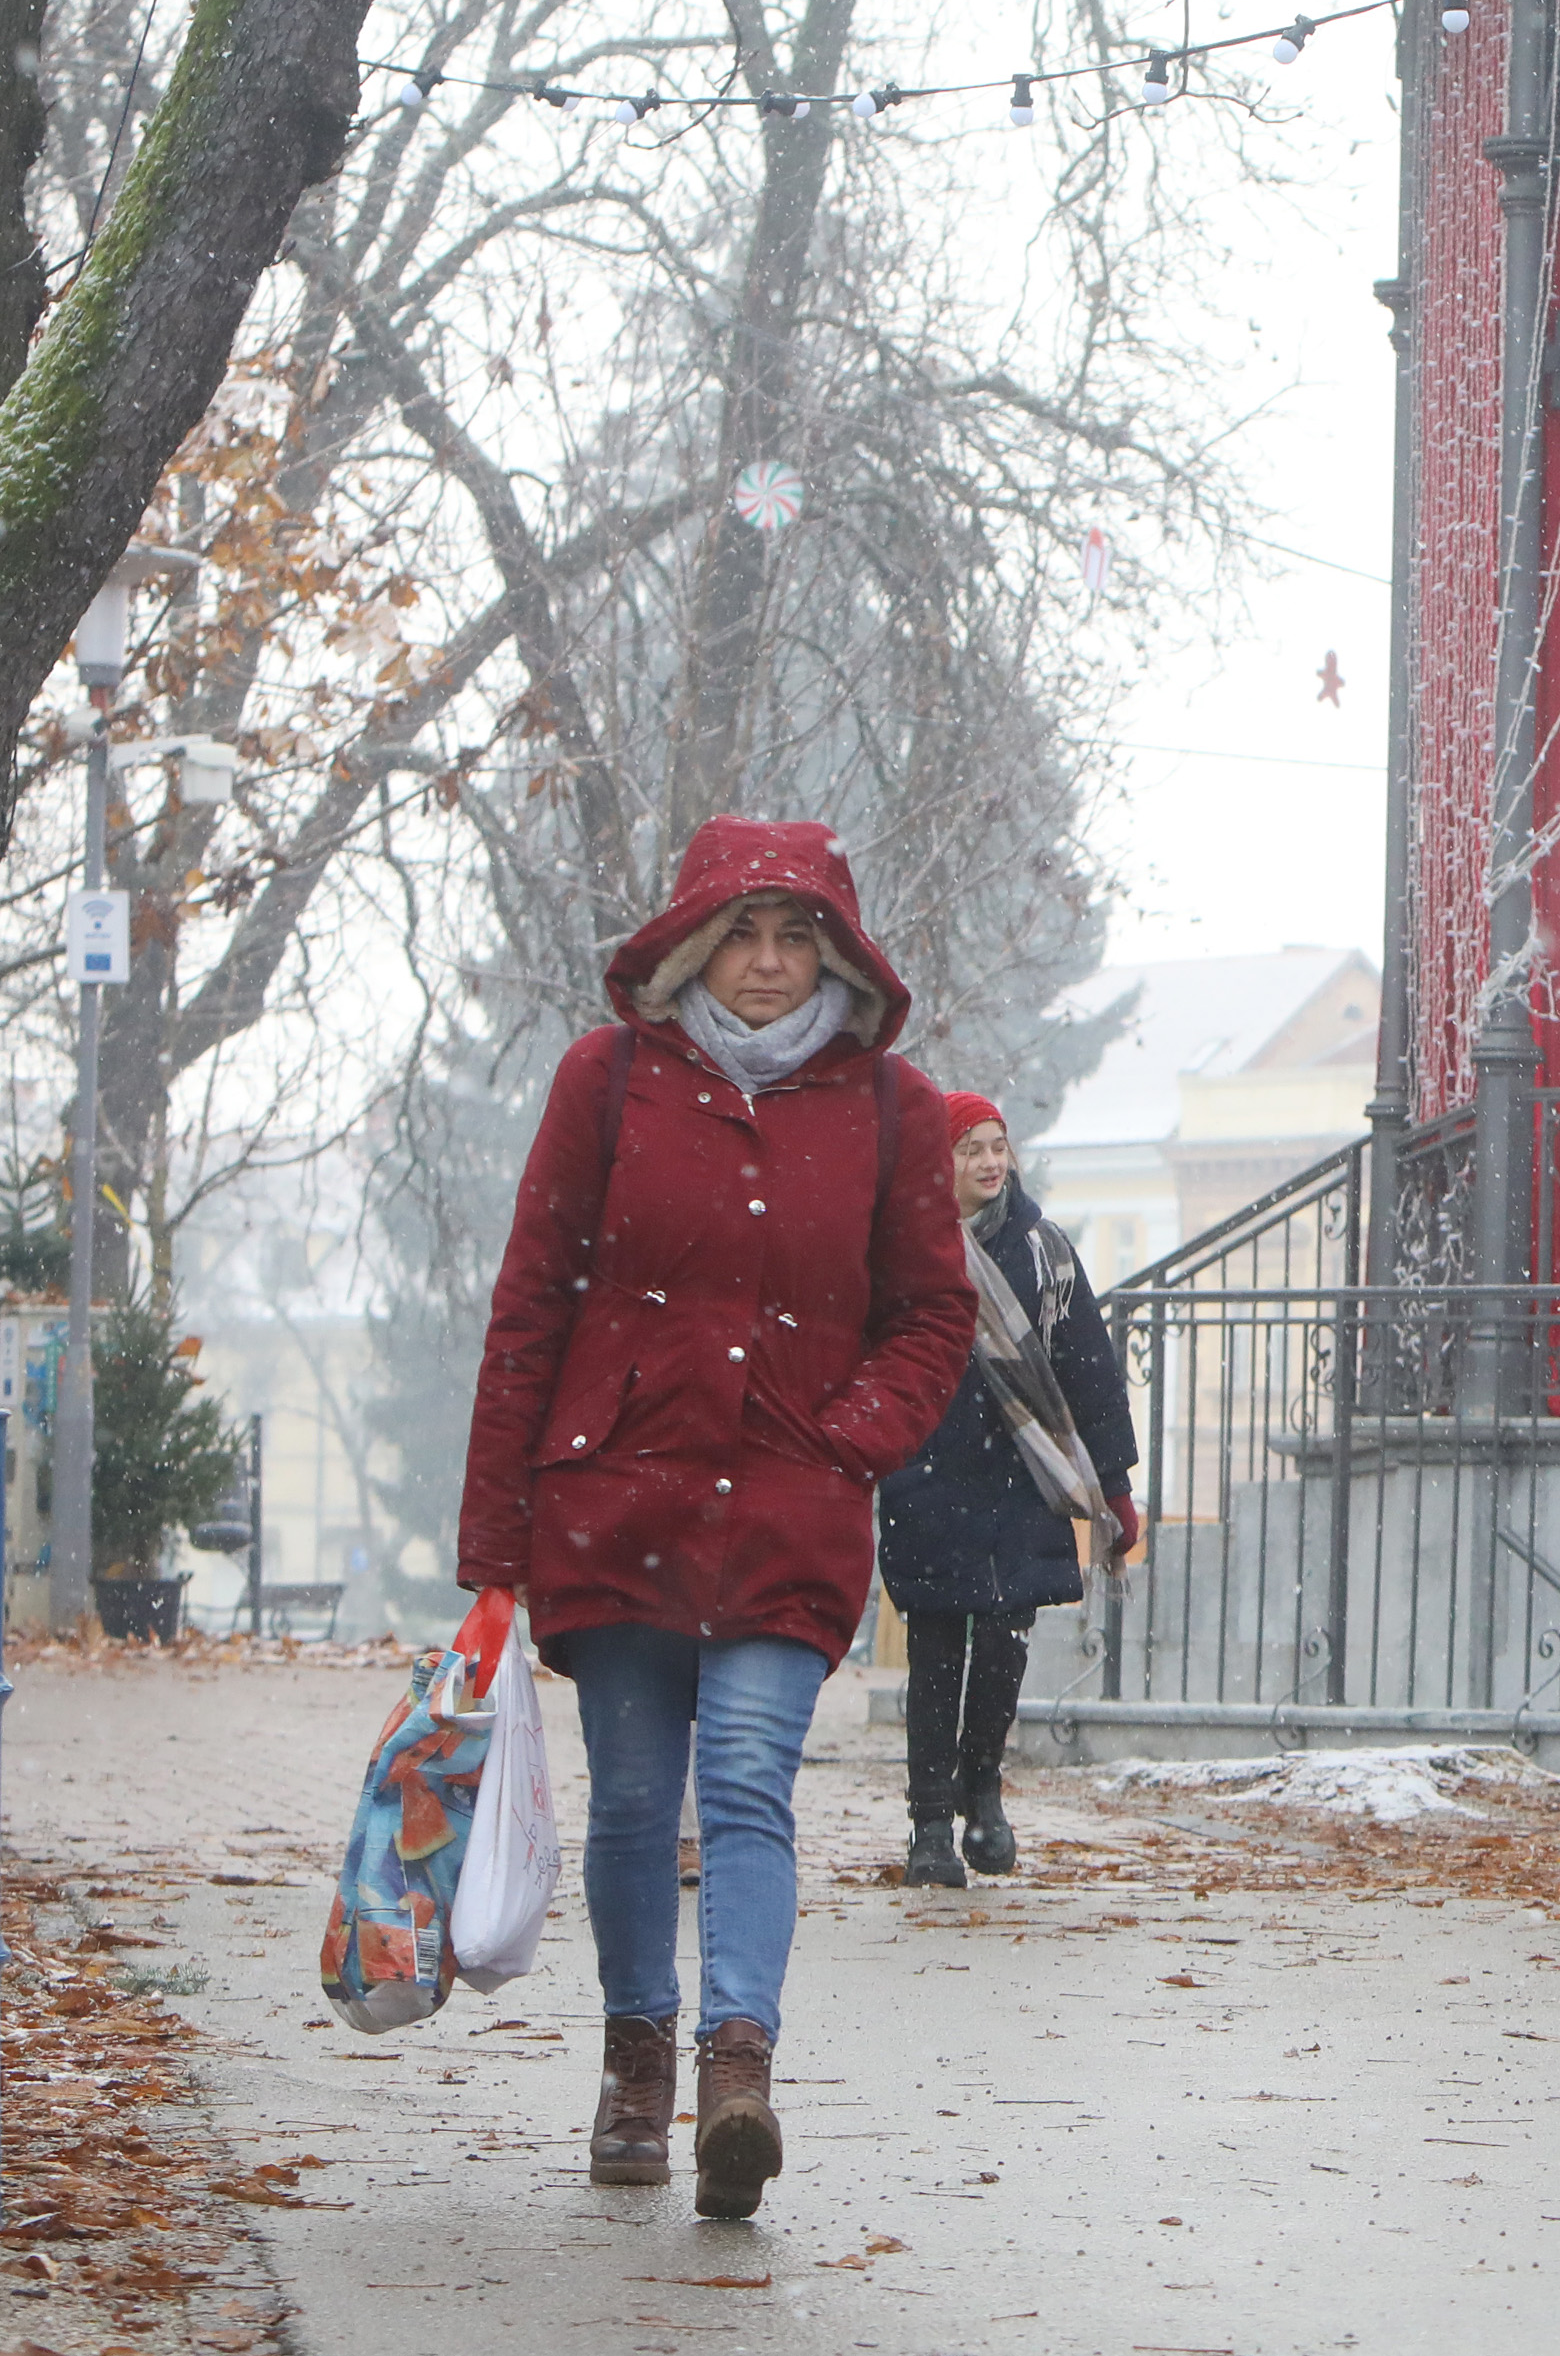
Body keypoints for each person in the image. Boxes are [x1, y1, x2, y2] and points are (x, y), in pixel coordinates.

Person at [454, 818, 972, 2221]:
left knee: (746, 1781)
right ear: (693, 940)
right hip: (615, 1496)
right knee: (632, 1801)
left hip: (791, 1508)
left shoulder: (890, 1107)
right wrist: (493, 1549)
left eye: (795, 934)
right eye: (742, 932)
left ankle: (736, 2067)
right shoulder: (607, 1079)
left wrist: (850, 1437)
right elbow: (530, 1305)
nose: (765, 960)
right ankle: (637, 2058)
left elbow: (933, 1311)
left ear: (837, 952)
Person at [878, 1093, 1142, 1887]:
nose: (991, 1163)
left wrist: (1114, 1486)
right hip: (927, 1469)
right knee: (935, 1647)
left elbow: (1089, 1371)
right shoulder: (902, 1250)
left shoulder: (1043, 1251)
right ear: (940, 1161)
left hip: (1024, 1472)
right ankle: (929, 1822)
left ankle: (982, 1791)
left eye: (999, 1147)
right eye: (971, 1149)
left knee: (1003, 1644)